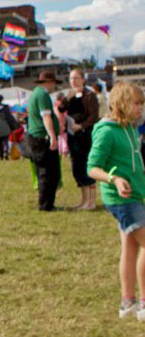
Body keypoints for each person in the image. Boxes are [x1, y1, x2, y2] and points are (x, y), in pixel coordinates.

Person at [87, 82, 145, 320]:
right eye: (137, 103)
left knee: (130, 248)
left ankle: (127, 302)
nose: (141, 108)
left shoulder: (130, 128)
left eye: (142, 103)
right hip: (122, 200)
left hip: (136, 195)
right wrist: (114, 179)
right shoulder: (107, 131)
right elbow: (92, 168)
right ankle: (142, 303)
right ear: (121, 103)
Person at [57, 69, 99, 210]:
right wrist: (68, 97)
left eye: (76, 78)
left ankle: (91, 201)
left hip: (85, 134)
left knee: (86, 165)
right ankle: (84, 200)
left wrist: (80, 126)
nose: (73, 81)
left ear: (83, 79)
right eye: (71, 78)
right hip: (73, 135)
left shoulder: (90, 95)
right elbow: (61, 108)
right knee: (77, 167)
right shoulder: (70, 95)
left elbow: (94, 116)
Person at [27, 71, 62, 211]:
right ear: (50, 82)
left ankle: (46, 203)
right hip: (42, 138)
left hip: (36, 137)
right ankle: (46, 204)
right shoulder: (43, 95)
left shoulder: (35, 93)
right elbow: (46, 117)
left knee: (44, 170)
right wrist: (52, 136)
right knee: (48, 172)